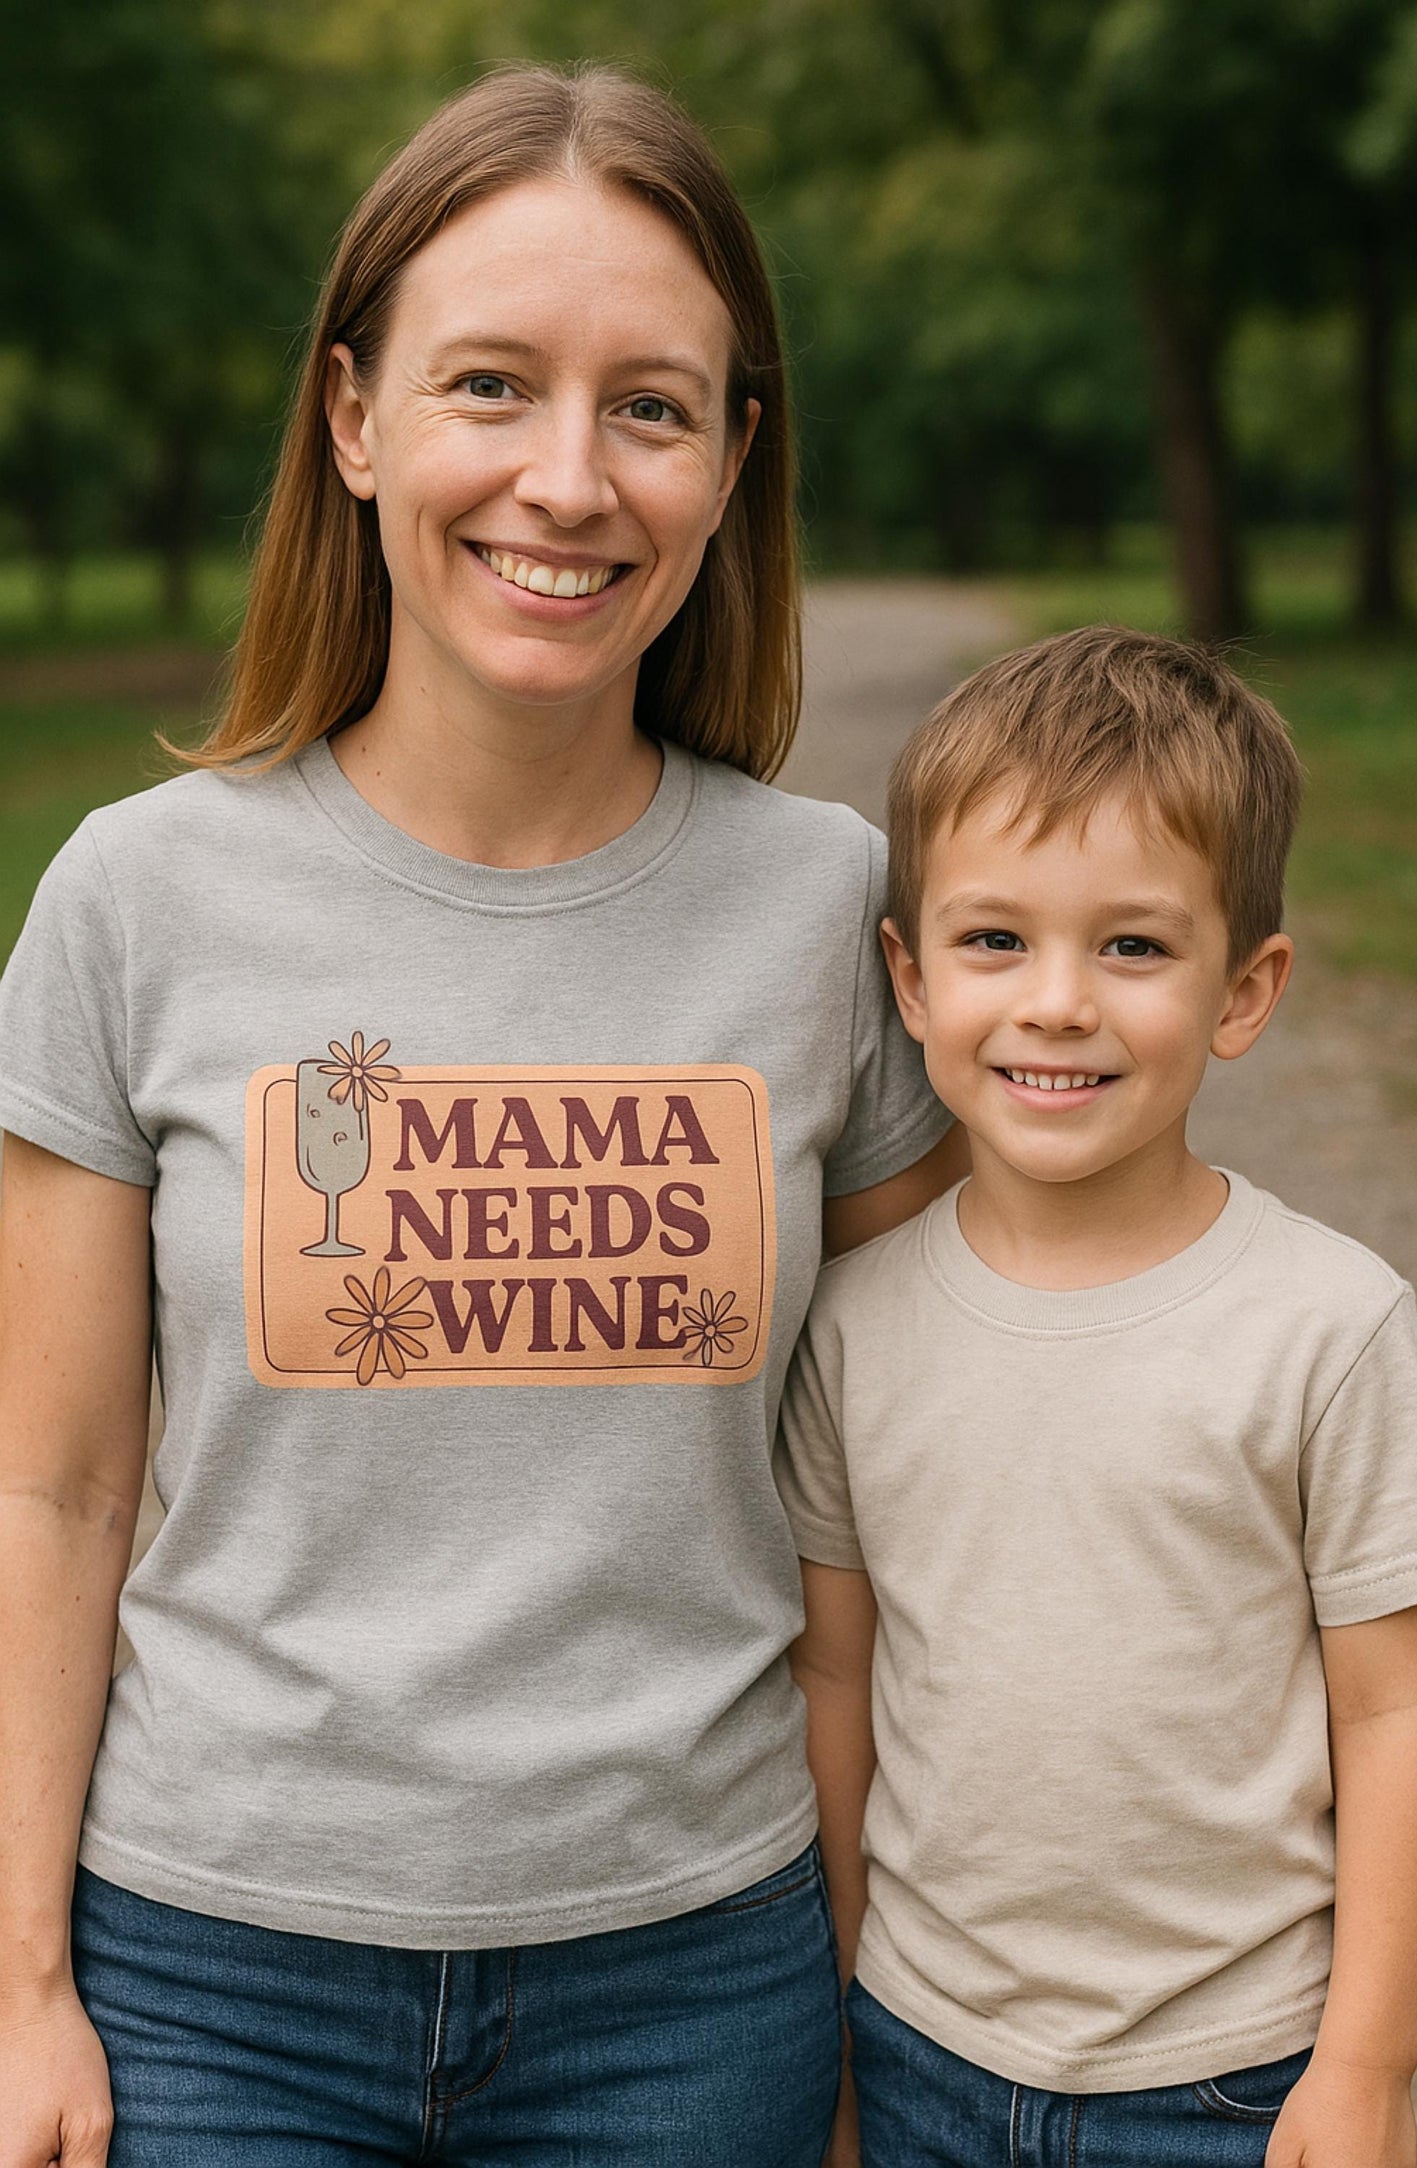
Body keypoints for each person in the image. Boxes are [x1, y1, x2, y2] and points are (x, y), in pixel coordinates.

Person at [0, 64, 962, 2167]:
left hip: (693, 1988)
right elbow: (52, 1492)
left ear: (731, 461)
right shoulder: (136, 901)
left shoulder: (830, 916)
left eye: (650, 407)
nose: (568, 478)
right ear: (354, 419)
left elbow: (917, 1495)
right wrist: (17, 1984)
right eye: (492, 385)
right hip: (208, 1988)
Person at [778, 626, 1417, 2168]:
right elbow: (836, 1684)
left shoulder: (1326, 1327)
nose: (1057, 1003)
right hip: (920, 2051)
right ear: (909, 979)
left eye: (1132, 948)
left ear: (1243, 991)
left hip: (1231, 2078)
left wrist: (1366, 2065)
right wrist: (837, 2036)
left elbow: (1398, 1706)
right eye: (993, 941)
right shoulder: (855, 1324)